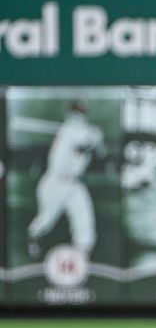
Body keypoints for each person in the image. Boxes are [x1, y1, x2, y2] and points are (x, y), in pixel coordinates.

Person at [27, 100, 105, 259]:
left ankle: (83, 252)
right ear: (69, 114)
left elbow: (100, 153)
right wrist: (96, 136)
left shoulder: (83, 130)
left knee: (85, 219)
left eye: (82, 112)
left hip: (74, 182)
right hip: (56, 182)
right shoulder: (69, 130)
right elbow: (83, 145)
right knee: (46, 219)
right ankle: (33, 238)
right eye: (76, 112)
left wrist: (98, 138)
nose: (79, 116)